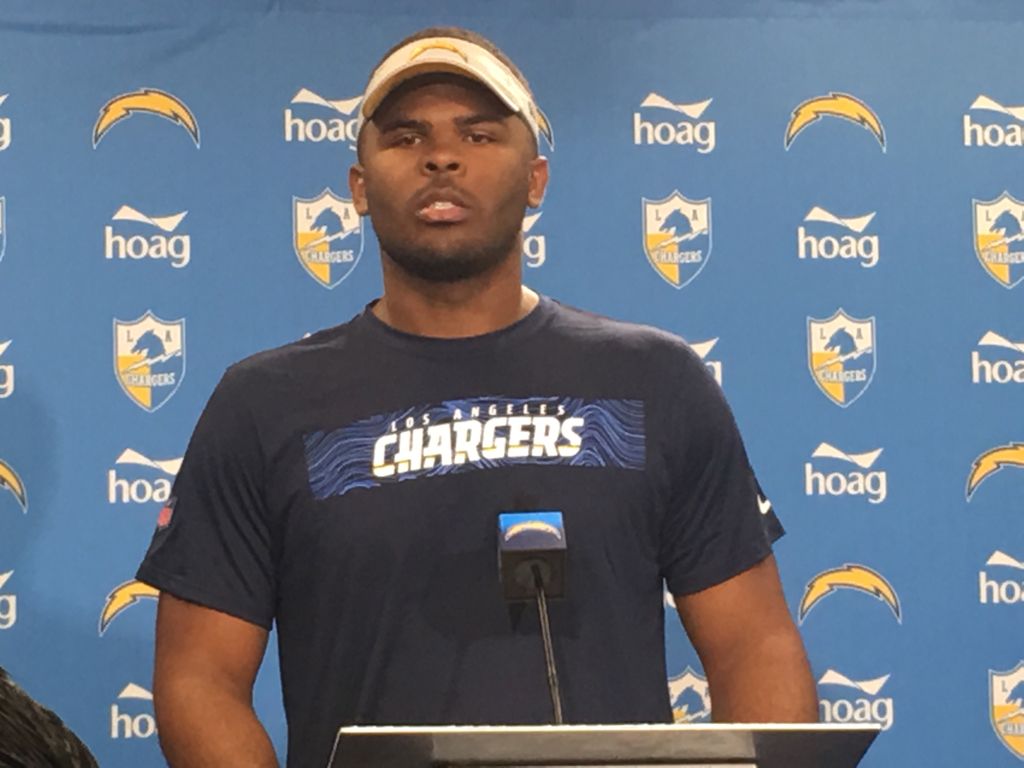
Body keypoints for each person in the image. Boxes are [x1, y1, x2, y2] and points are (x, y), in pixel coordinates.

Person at [137, 25, 818, 768]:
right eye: (405, 137)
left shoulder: (655, 381)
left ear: (536, 179)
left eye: (479, 134)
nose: (441, 158)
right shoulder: (263, 404)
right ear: (358, 188)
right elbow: (199, 679)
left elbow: (754, 644)